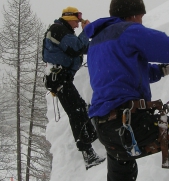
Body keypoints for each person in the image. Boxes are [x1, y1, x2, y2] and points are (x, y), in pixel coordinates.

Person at [84, 0, 169, 180]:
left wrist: (163, 70)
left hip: (105, 129)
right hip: (130, 124)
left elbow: (123, 74)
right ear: (133, 14)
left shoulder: (96, 42)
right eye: (141, 17)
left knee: (122, 162)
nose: (141, 22)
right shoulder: (128, 30)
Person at [42, 6, 105, 170]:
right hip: (59, 79)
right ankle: (88, 154)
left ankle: (93, 138)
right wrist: (86, 30)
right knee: (76, 112)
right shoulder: (58, 30)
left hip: (62, 79)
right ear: (68, 17)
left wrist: (99, 43)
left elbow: (82, 48)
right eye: (76, 21)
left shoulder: (64, 33)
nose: (77, 24)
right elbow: (76, 48)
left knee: (80, 109)